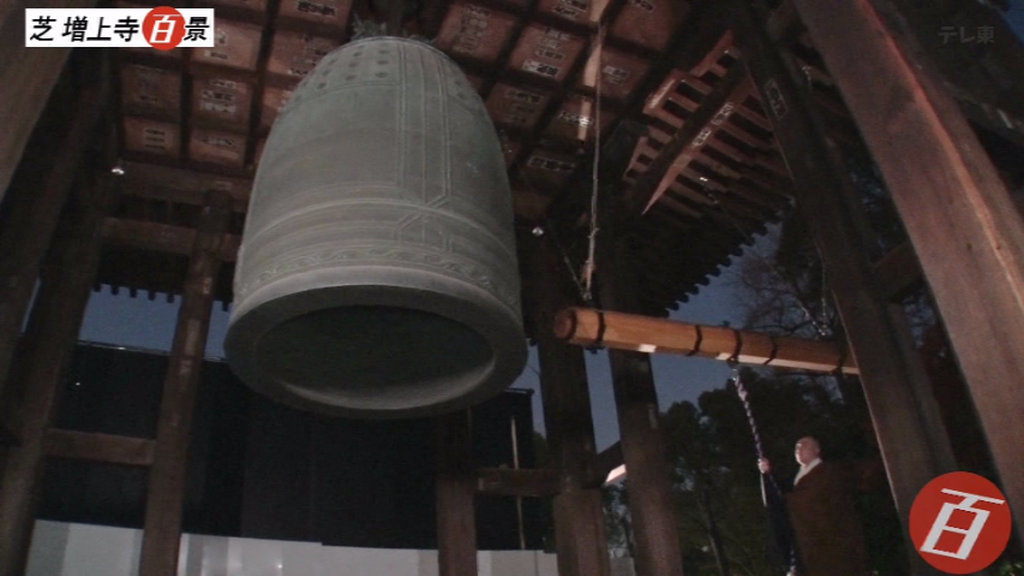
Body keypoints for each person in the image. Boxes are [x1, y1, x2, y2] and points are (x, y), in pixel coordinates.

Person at [758, 436, 873, 576]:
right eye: (797, 447)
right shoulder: (797, 478)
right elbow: (783, 499)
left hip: (830, 540)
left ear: (816, 450)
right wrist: (768, 475)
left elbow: (807, 501)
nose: (799, 449)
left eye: (804, 445)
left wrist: (785, 500)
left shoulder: (827, 472)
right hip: (808, 543)